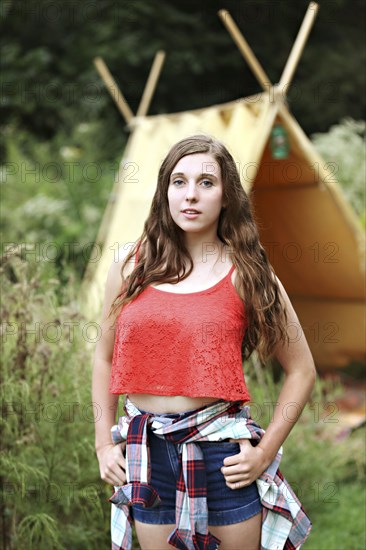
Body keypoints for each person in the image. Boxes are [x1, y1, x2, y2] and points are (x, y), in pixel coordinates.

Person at [92, 134, 317, 550]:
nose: (190, 195)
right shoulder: (129, 265)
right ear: (164, 192)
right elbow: (104, 358)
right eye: (179, 182)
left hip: (222, 459)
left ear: (227, 195)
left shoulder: (248, 274)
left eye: (206, 183)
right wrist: (104, 443)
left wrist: (264, 453)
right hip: (147, 456)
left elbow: (302, 369)